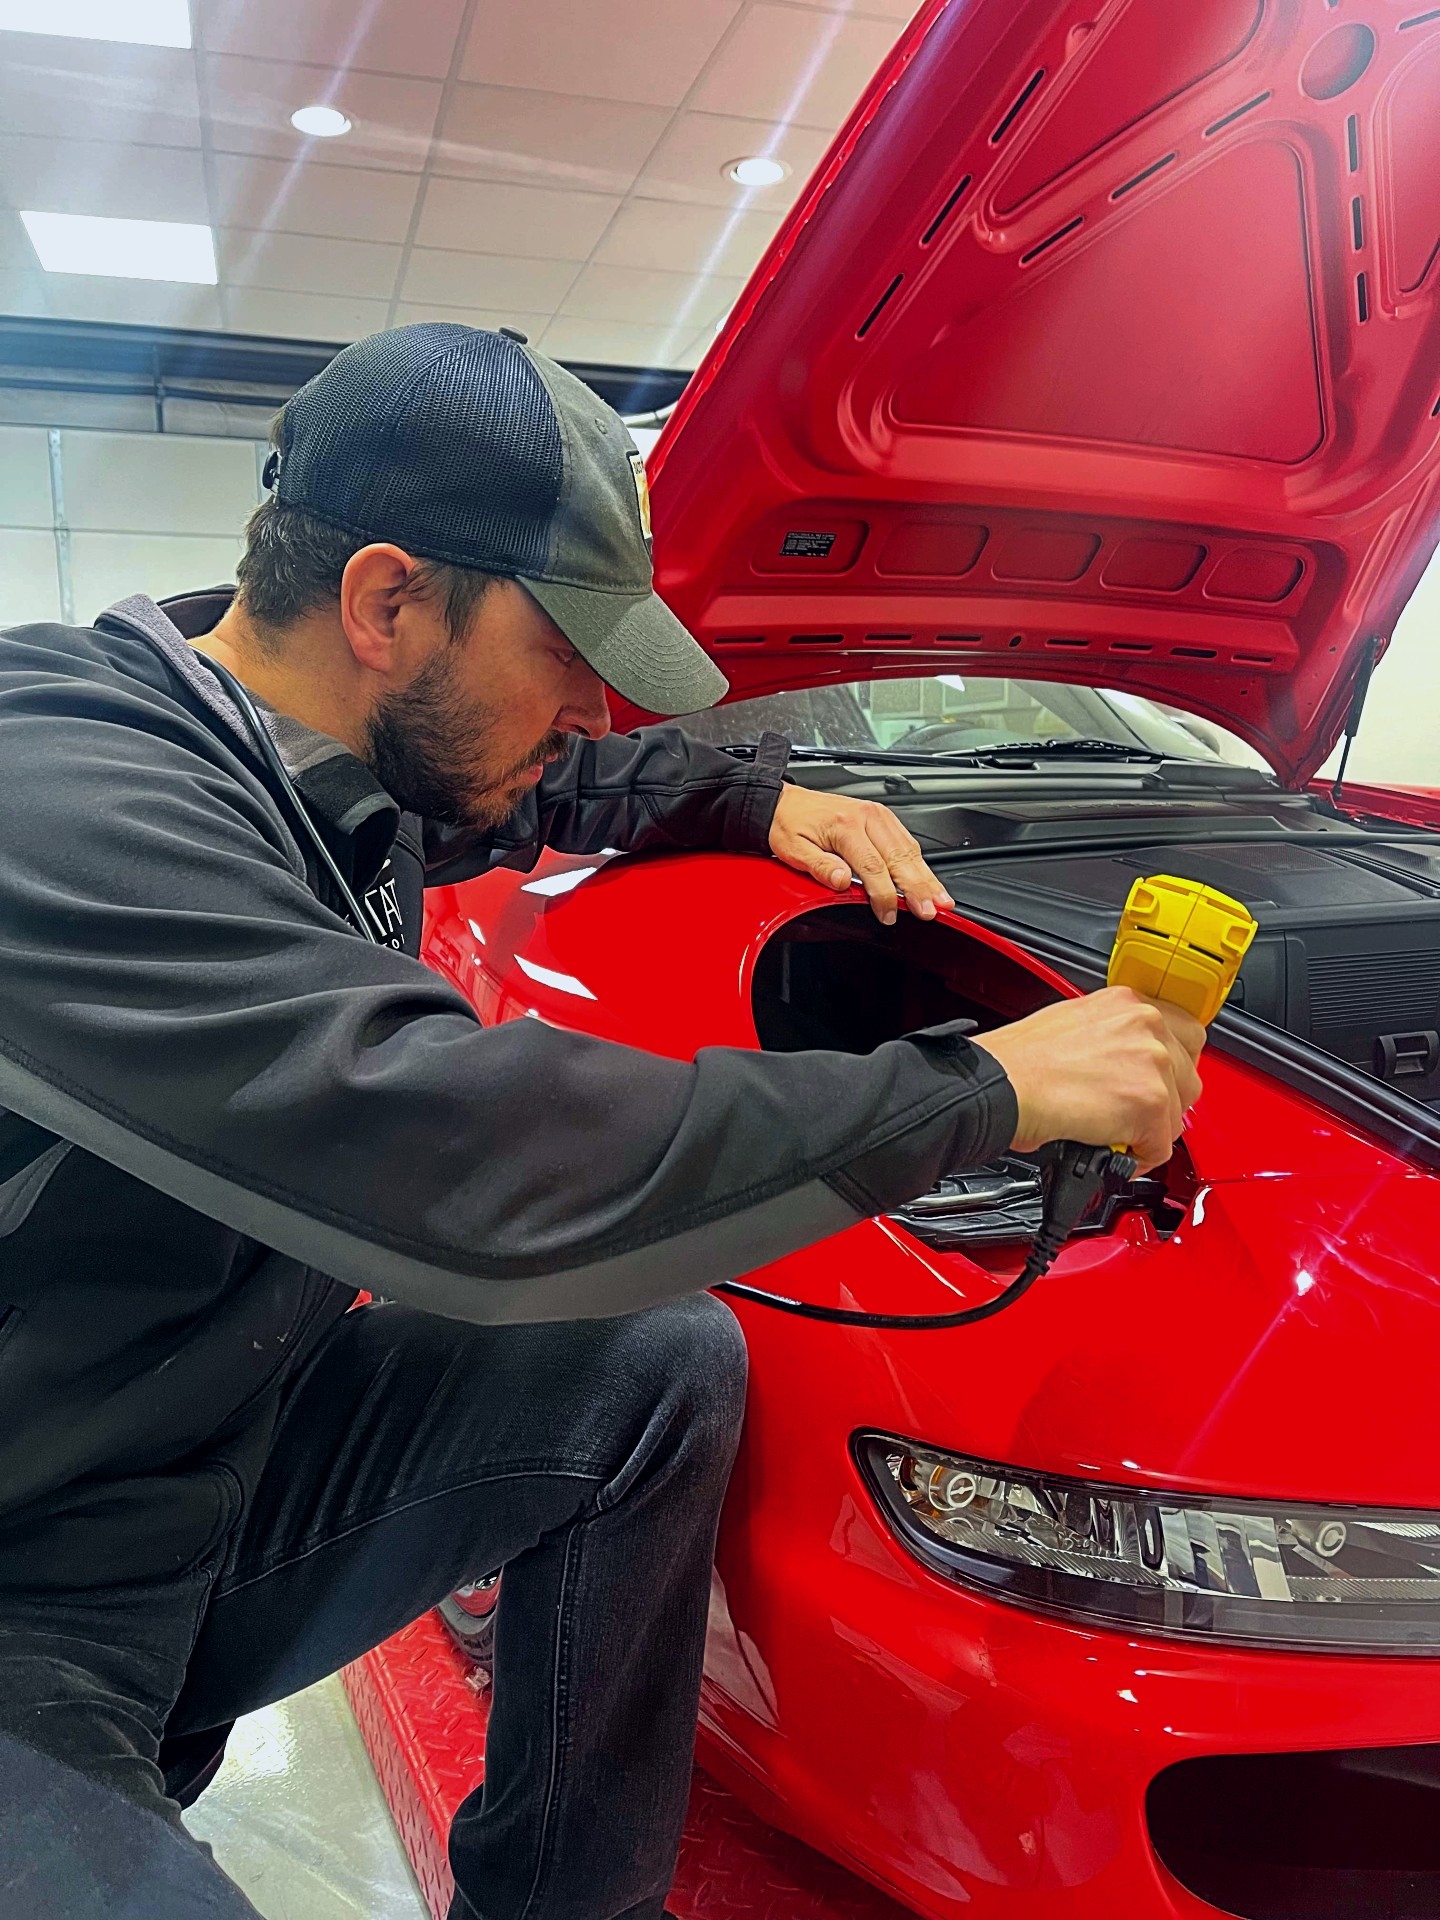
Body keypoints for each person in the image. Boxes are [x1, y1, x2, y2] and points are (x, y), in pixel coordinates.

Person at [0, 324, 1203, 1917]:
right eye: (563, 649)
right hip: (33, 1575)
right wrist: (987, 1086)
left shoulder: (339, 753)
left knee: (655, 1362)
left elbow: (554, 787)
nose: (588, 703)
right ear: (386, 601)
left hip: (202, 1478)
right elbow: (464, 1155)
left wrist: (753, 796)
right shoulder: (65, 798)